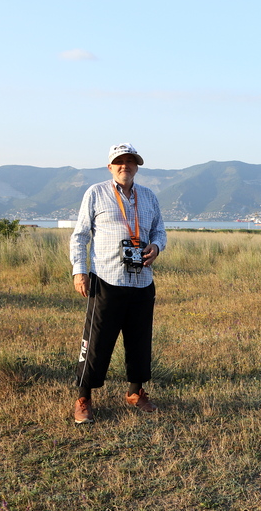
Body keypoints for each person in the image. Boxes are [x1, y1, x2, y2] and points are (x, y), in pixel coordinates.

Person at [69, 142, 167, 424]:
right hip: (106, 279)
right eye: (120, 161)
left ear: (137, 166)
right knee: (96, 341)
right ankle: (84, 398)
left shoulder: (148, 196)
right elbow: (80, 236)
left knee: (140, 340)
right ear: (110, 166)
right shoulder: (96, 193)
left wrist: (156, 247)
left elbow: (159, 231)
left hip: (142, 281)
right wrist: (80, 271)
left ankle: (136, 392)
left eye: (131, 161)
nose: (126, 166)